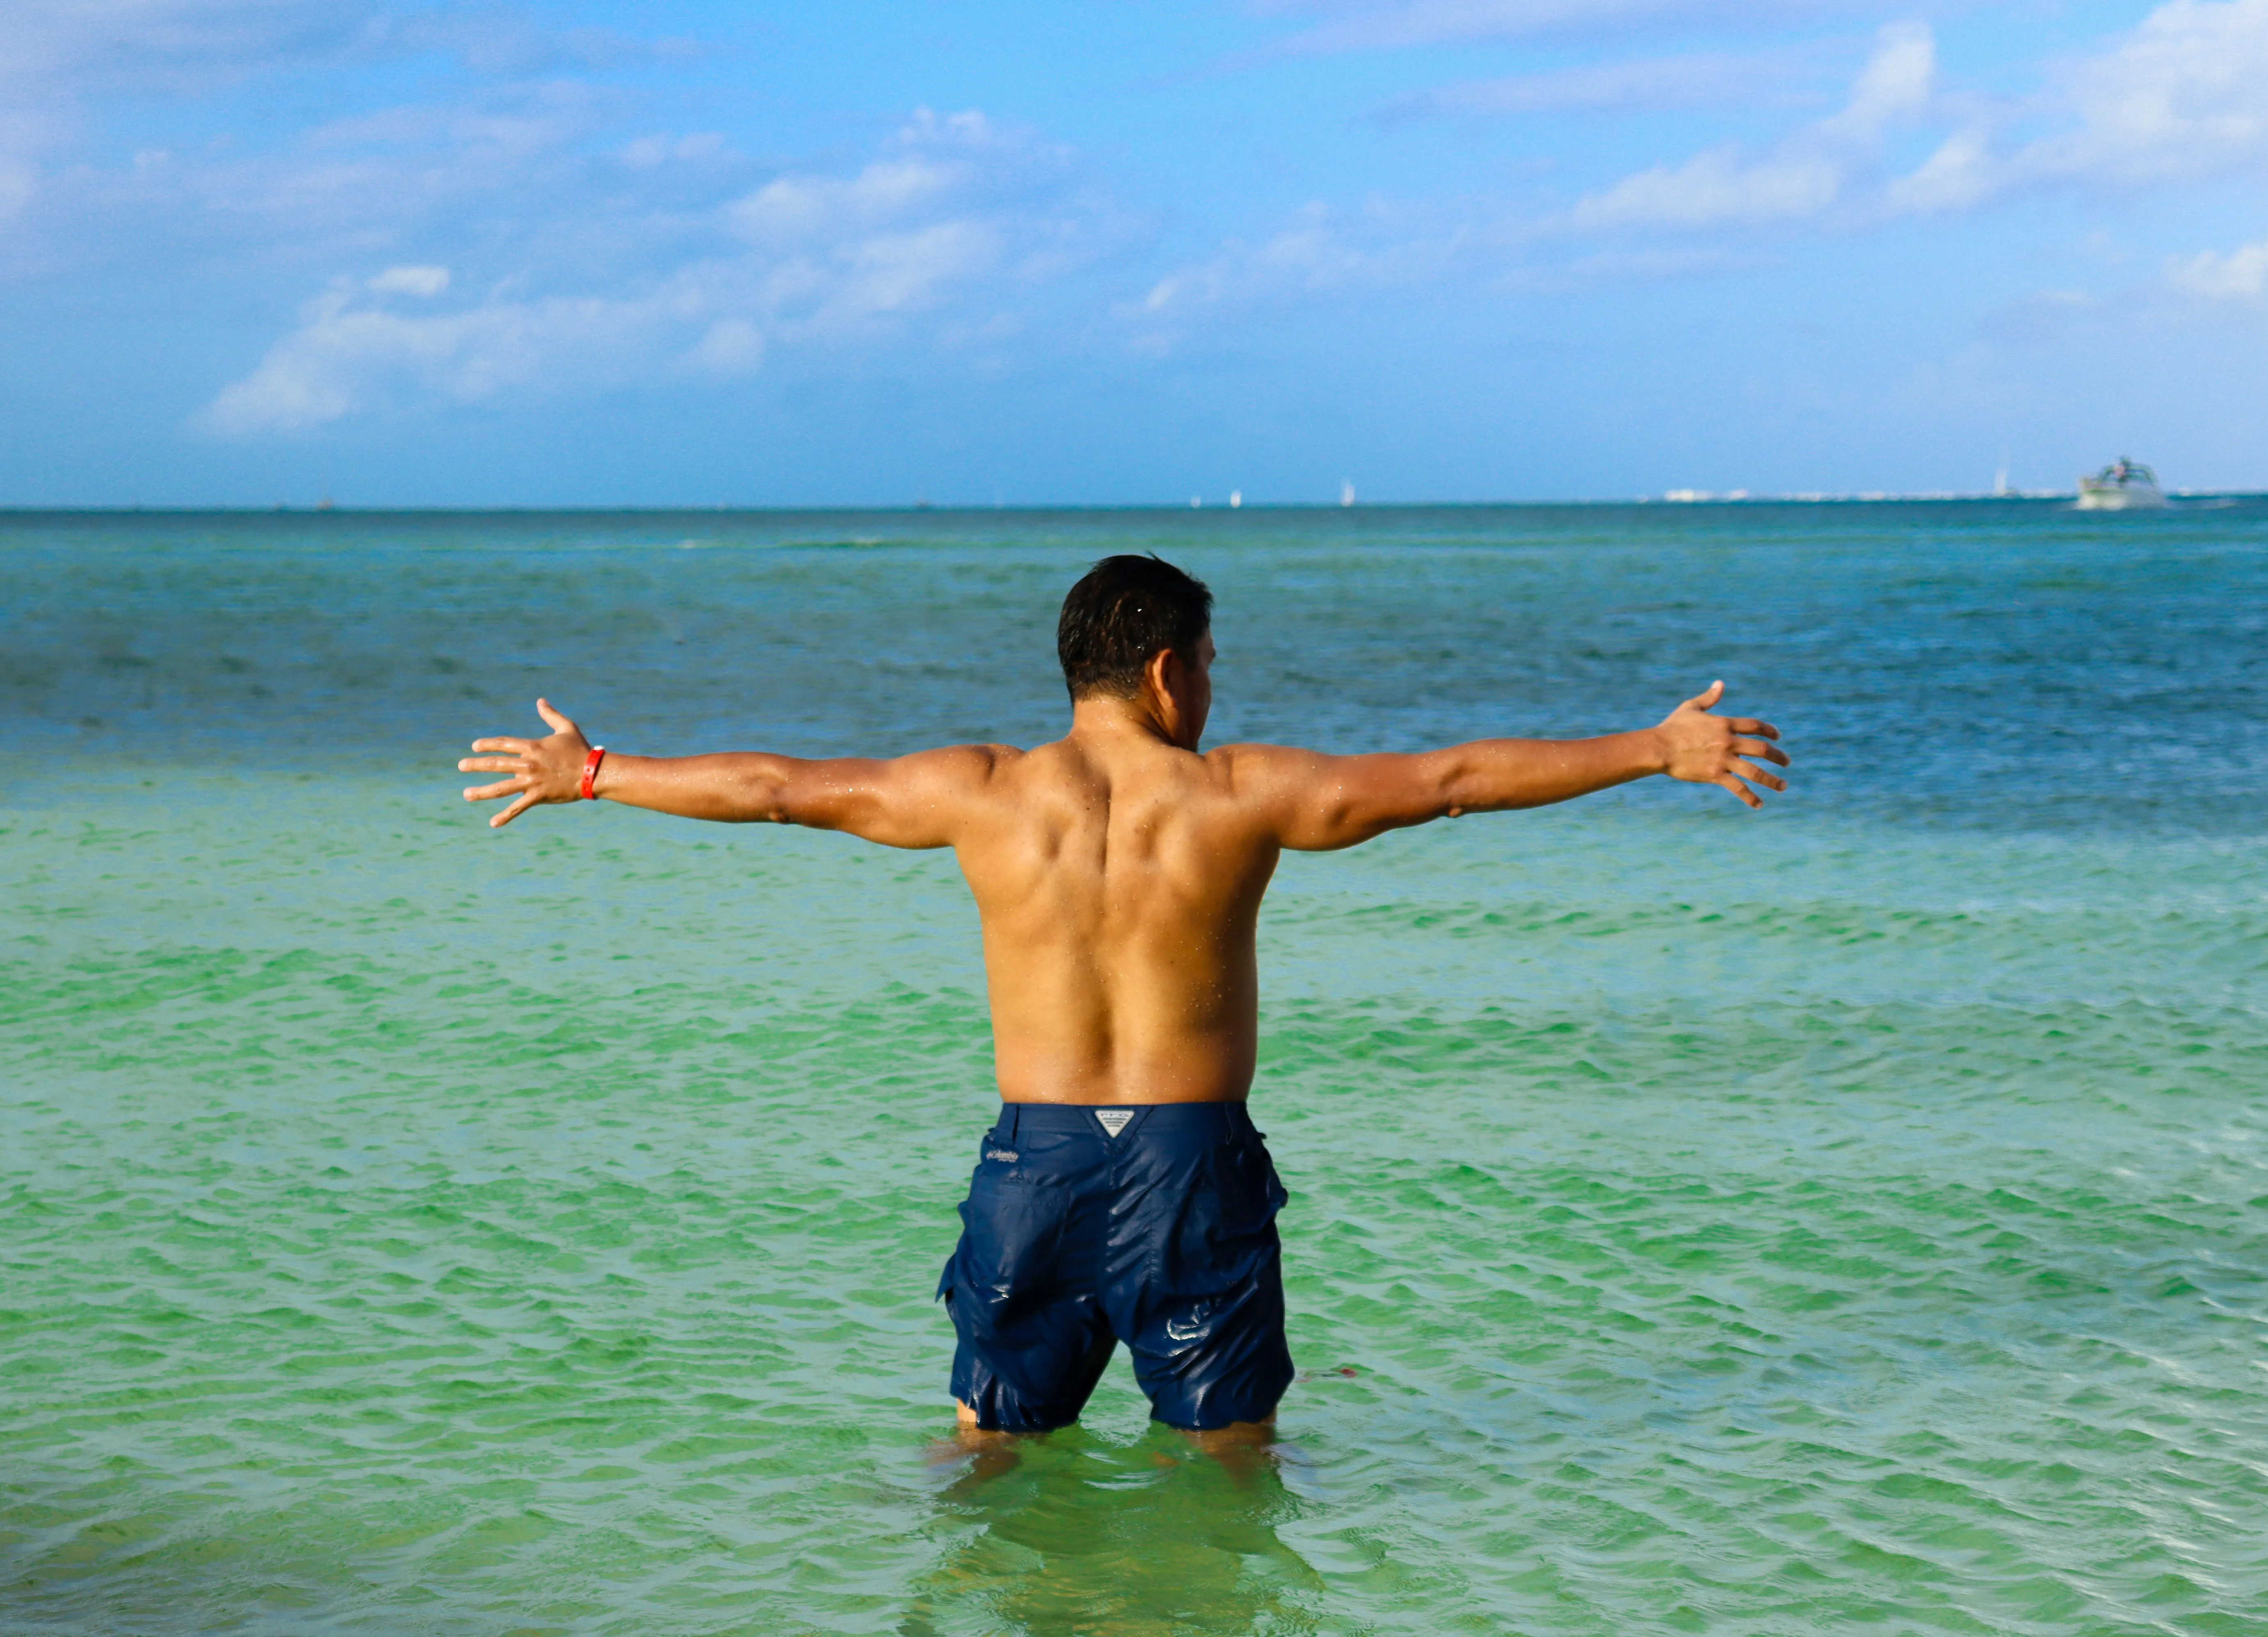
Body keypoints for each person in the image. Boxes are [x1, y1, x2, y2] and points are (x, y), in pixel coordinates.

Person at [458, 554, 1788, 1444]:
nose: (1212, 688)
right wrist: (1653, 748)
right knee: (1224, 1465)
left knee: (988, 1451)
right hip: (1187, 1165)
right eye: (1208, 662)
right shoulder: (1238, 796)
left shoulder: (979, 792)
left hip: (1032, 1162)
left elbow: (778, 790)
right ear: (1166, 672)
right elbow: (1448, 781)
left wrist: (596, 773)